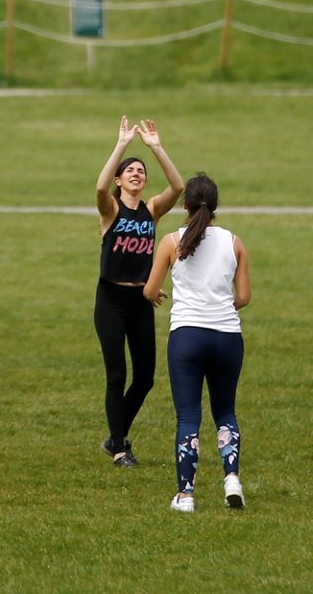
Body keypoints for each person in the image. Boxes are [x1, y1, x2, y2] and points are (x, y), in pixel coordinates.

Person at [144, 172, 251, 513]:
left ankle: (186, 494)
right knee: (225, 411)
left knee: (188, 416)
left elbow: (149, 289)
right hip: (227, 336)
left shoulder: (172, 242)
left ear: (184, 204)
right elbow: (244, 297)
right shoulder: (234, 242)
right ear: (216, 205)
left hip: (187, 336)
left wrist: (159, 294)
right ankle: (231, 478)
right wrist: (220, 305)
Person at [95, 116, 184, 468]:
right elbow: (100, 189)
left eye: (141, 171)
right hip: (111, 300)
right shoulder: (110, 209)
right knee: (117, 374)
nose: (136, 173)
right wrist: (121, 146)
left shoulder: (151, 211)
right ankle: (119, 449)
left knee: (145, 377)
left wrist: (156, 148)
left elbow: (177, 187)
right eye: (129, 170)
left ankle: (116, 436)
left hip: (141, 301)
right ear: (120, 179)